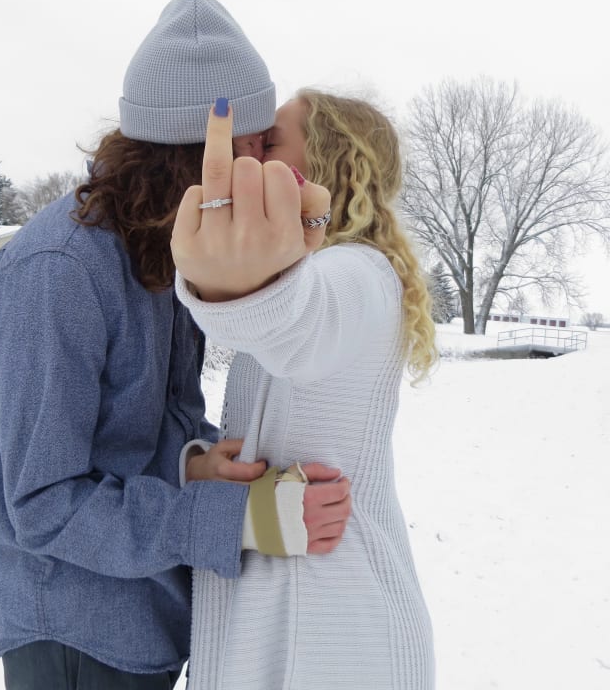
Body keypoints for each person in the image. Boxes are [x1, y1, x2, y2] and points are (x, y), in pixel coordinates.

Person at [0, 0, 351, 690]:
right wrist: (234, 518)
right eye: (256, 146)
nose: (269, 170)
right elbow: (45, 506)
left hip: (145, 613)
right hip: (74, 629)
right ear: (198, 150)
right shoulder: (57, 274)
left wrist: (199, 460)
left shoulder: (165, 244)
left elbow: (144, 423)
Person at [171, 90, 438, 688]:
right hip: (289, 624)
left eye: (270, 142)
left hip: (336, 635)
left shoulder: (360, 274)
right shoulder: (318, 272)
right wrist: (203, 468)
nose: (251, 151)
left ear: (327, 163)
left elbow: (299, 322)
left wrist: (234, 283)